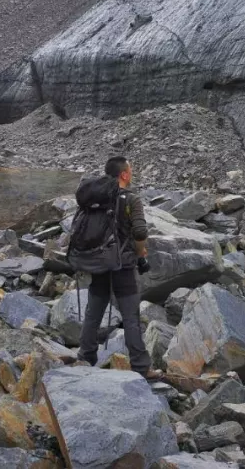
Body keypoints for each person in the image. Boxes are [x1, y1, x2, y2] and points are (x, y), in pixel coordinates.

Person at [75, 155, 160, 378]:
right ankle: (141, 367)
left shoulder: (98, 198)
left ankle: (85, 357)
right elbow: (140, 231)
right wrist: (141, 251)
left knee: (93, 312)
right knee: (131, 317)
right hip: (123, 265)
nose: (131, 174)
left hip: (99, 262)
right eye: (130, 170)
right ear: (123, 174)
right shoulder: (131, 199)